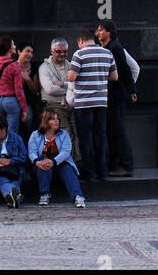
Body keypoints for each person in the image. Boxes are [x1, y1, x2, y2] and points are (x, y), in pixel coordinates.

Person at [67, 30, 118, 181]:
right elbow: (115, 76)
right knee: (101, 137)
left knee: (85, 138)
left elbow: (71, 77)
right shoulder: (107, 53)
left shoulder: (79, 54)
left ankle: (88, 172)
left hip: (83, 104)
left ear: (80, 40)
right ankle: (102, 171)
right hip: (101, 102)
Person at [97, 20, 136, 177]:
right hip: (111, 96)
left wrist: (132, 89)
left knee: (118, 130)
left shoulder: (114, 48)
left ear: (109, 32)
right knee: (113, 130)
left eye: (101, 30)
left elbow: (126, 69)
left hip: (115, 96)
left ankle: (126, 165)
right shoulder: (108, 48)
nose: (98, 32)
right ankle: (116, 163)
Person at [27, 109, 85, 207]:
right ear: (45, 121)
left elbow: (66, 151)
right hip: (41, 163)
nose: (56, 121)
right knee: (44, 166)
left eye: (57, 119)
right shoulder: (35, 135)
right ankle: (44, 194)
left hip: (60, 163)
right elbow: (32, 152)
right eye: (53, 119)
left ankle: (78, 196)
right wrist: (37, 162)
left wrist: (53, 161)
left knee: (68, 170)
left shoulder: (64, 134)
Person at [38, 38, 81, 162]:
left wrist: (62, 84)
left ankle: (78, 162)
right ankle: (69, 162)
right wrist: (69, 86)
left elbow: (77, 85)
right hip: (54, 106)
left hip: (72, 105)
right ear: (52, 51)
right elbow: (50, 89)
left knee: (78, 133)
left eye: (65, 51)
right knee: (65, 134)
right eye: (58, 51)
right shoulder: (44, 68)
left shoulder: (71, 65)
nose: (62, 54)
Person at [0, 36, 27, 138]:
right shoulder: (14, 65)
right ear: (9, 48)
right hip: (11, 101)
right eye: (13, 44)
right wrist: (24, 109)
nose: (14, 46)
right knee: (11, 133)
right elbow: (19, 90)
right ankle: (8, 153)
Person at [0, 113, 27, 208]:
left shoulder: (16, 138)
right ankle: (15, 197)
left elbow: (23, 157)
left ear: (4, 130)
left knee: (15, 179)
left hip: (15, 167)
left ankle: (11, 197)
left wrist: (10, 161)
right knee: (3, 180)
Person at [16, 42, 41, 135]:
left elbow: (35, 91)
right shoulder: (12, 66)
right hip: (15, 101)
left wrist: (27, 79)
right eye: (27, 51)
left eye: (31, 52)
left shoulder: (34, 67)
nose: (30, 54)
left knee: (28, 120)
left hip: (28, 102)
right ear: (19, 52)